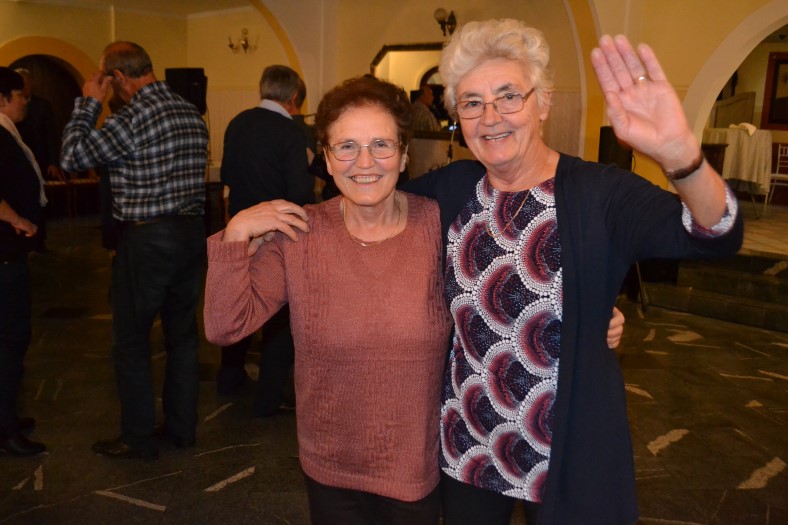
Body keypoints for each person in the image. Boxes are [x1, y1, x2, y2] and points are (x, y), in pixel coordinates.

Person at [204, 75, 625, 524]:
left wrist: (586, 311)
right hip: (329, 468)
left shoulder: (439, 224)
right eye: (346, 146)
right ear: (325, 158)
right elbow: (224, 326)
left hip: (414, 470)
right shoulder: (299, 234)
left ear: (404, 155)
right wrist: (236, 233)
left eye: (381, 145)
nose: (364, 162)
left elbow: (513, 277)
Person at [403, 20, 744, 524]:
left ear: (543, 103)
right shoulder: (451, 189)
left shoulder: (599, 192)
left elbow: (715, 234)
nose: (490, 117)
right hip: (471, 441)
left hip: (567, 448)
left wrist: (679, 154)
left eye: (508, 96)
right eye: (472, 103)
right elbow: (376, 209)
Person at [60, 41, 208, 460]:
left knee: (130, 341)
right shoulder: (190, 112)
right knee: (183, 338)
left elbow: (71, 157)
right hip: (190, 234)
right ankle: (181, 429)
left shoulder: (131, 119)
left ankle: (137, 438)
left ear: (119, 78)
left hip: (148, 240)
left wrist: (89, 104)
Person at [217, 65, 314, 410]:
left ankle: (229, 377)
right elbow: (300, 191)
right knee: (277, 316)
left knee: (238, 302)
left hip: (241, 229)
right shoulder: (291, 131)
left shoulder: (237, 122)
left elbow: (226, 174)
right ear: (294, 97)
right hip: (277, 235)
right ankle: (269, 397)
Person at [0, 67, 46, 457]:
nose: (26, 102)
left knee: (12, 339)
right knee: (10, 339)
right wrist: (16, 218)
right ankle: (4, 429)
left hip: (8, 254)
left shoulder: (7, 132)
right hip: (2, 256)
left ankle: (7, 417)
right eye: (21, 96)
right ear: (1, 99)